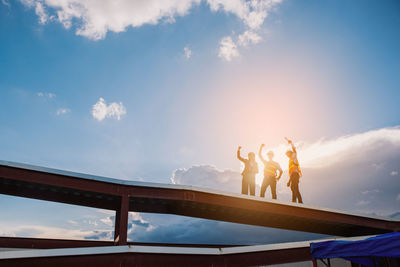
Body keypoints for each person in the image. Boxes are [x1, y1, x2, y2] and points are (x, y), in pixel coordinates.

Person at [285, 138, 303, 203]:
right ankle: (296, 202)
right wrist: (289, 181)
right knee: (293, 188)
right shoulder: (290, 160)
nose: (287, 155)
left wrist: (291, 143)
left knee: (294, 187)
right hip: (292, 176)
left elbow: (294, 150)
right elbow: (291, 172)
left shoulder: (294, 156)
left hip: (295, 175)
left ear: (290, 153)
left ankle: (297, 201)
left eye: (287, 154)